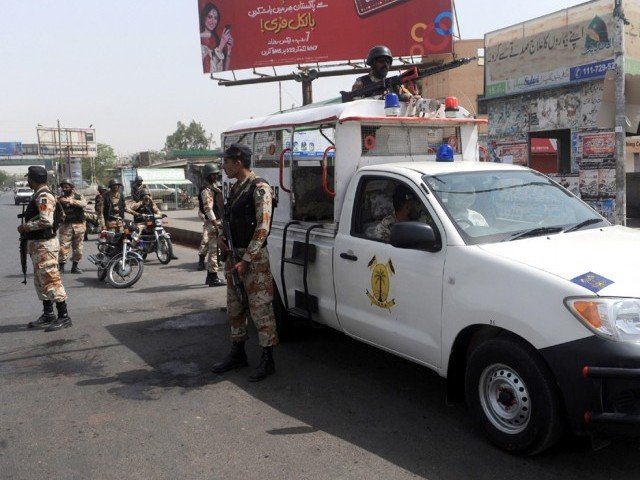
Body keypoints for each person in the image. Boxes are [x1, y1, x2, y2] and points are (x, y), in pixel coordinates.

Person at [212, 143, 278, 382]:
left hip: (254, 259)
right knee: (235, 306)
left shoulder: (259, 188)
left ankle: (268, 359)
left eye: (226, 162)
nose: (224, 166)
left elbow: (263, 227)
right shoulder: (236, 188)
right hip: (234, 257)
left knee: (261, 308)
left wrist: (247, 259)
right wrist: (222, 240)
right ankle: (238, 352)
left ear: (238, 162)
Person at [18, 166, 72, 331]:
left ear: (32, 179)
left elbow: (46, 221)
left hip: (44, 245)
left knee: (51, 279)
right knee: (41, 281)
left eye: (28, 178)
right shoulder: (40, 194)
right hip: (38, 245)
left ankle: (64, 316)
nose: (27, 181)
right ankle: (48, 314)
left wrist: (26, 227)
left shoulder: (43, 196)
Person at [197, 164, 225, 287]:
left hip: (216, 222)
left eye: (216, 174)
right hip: (213, 223)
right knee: (214, 250)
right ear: (207, 175)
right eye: (213, 174)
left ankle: (210, 277)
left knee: (215, 250)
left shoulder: (212, 187)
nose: (215, 176)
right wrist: (216, 225)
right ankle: (213, 278)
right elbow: (208, 209)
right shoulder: (206, 190)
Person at [57, 178, 88, 274]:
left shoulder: (79, 196)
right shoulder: (59, 199)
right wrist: (60, 200)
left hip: (79, 226)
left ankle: (75, 266)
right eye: (63, 187)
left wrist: (71, 201)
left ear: (72, 187)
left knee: (78, 248)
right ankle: (61, 267)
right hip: (65, 226)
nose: (64, 189)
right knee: (63, 248)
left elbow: (84, 204)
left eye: (67, 187)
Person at [200, 3, 233, 73]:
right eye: (210, 17)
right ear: (204, 17)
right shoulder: (200, 39)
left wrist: (229, 51)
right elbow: (210, 69)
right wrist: (221, 45)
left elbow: (224, 71)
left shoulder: (216, 39)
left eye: (215, 18)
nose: (213, 21)